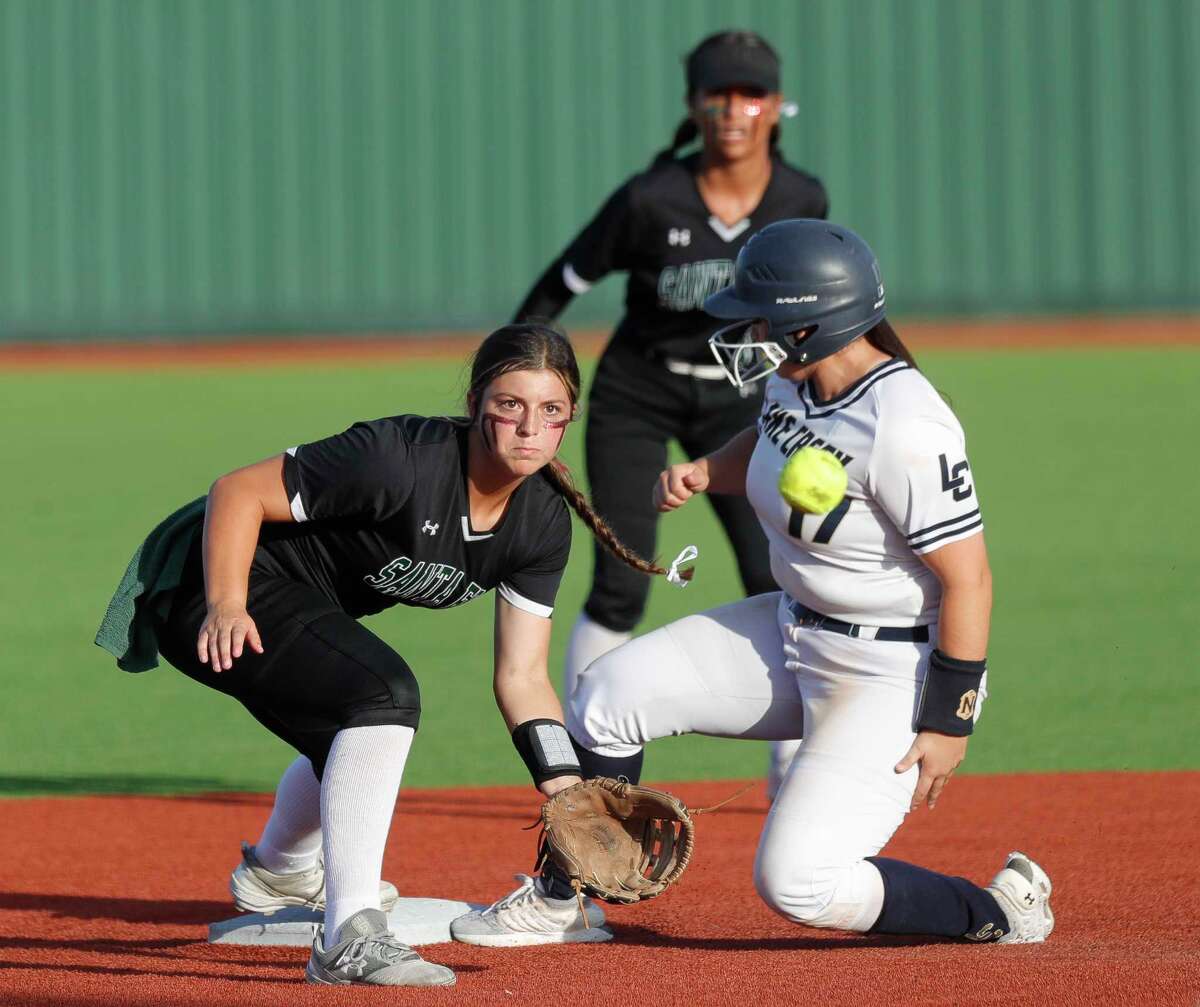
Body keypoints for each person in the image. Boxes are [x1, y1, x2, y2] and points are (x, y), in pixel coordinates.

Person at [452, 220, 1054, 947]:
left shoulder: (905, 424)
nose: (748, 328)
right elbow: (770, 440)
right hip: (792, 627)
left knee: (799, 879)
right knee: (609, 693)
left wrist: (949, 719)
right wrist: (710, 468)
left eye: (763, 317)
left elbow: (970, 580)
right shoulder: (799, 376)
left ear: (812, 325)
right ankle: (564, 893)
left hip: (892, 672)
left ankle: (995, 909)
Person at [96, 323, 678, 985]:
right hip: (208, 583)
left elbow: (520, 676)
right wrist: (227, 601)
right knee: (382, 694)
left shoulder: (540, 520)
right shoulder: (400, 457)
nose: (528, 427)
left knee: (355, 730)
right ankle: (349, 936)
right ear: (476, 401)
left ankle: (278, 871)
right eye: (510, 404)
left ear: (569, 417)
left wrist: (569, 795)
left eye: (550, 410)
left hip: (295, 603)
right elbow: (236, 491)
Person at [512, 30, 827, 797]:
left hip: (742, 395)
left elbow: (816, 305)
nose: (732, 110)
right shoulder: (650, 199)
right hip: (638, 389)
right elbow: (561, 283)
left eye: (749, 94)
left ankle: (795, 760)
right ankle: (586, 763)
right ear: (694, 105)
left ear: (776, 109)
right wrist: (519, 367)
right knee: (622, 578)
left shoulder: (800, 198)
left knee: (776, 570)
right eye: (716, 94)